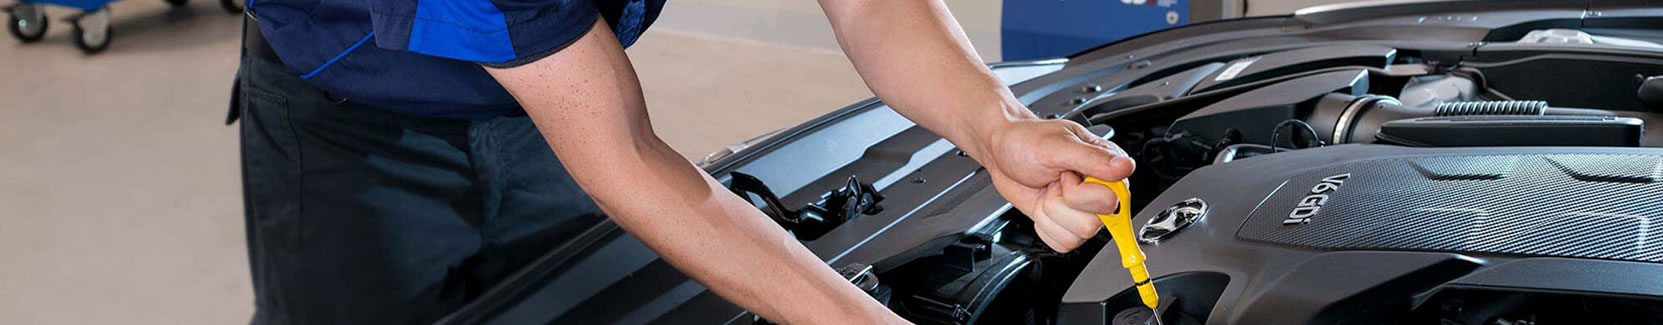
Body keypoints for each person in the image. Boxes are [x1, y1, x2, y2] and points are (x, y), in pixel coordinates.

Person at [232, 0, 1136, 323]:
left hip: (554, 94)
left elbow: (870, 5)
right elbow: (620, 154)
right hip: (353, 121)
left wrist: (993, 125)